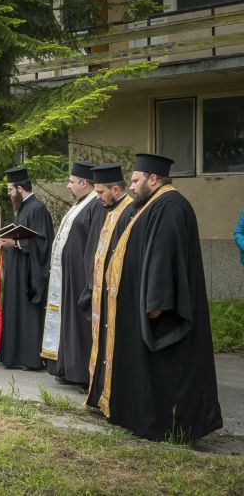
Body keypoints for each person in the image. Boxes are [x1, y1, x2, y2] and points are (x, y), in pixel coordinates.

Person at [90, 153, 222, 441]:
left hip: (161, 309)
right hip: (148, 303)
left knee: (169, 371)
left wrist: (156, 302)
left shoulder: (170, 205)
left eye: (136, 180)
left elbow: (165, 256)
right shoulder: (153, 204)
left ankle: (170, 427)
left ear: (153, 179)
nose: (132, 186)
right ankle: (146, 419)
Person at [41, 162, 105, 387]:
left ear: (84, 183)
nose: (68, 186)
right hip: (68, 276)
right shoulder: (80, 204)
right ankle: (67, 367)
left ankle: (81, 373)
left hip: (80, 276)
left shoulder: (94, 205)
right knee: (67, 323)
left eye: (71, 181)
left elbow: (93, 240)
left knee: (79, 324)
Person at [0, 166, 55, 371]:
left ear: (19, 188)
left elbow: (44, 243)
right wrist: (6, 240)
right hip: (17, 271)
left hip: (29, 274)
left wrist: (17, 244)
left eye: (10, 190)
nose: (9, 194)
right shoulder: (23, 208)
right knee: (14, 311)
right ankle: (14, 356)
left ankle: (30, 359)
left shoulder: (37, 208)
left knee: (27, 314)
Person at [84, 162, 135, 414]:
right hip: (102, 294)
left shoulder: (129, 211)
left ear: (116, 189)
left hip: (117, 295)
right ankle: (100, 395)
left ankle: (114, 398)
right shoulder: (111, 210)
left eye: (100, 192)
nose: (97, 197)